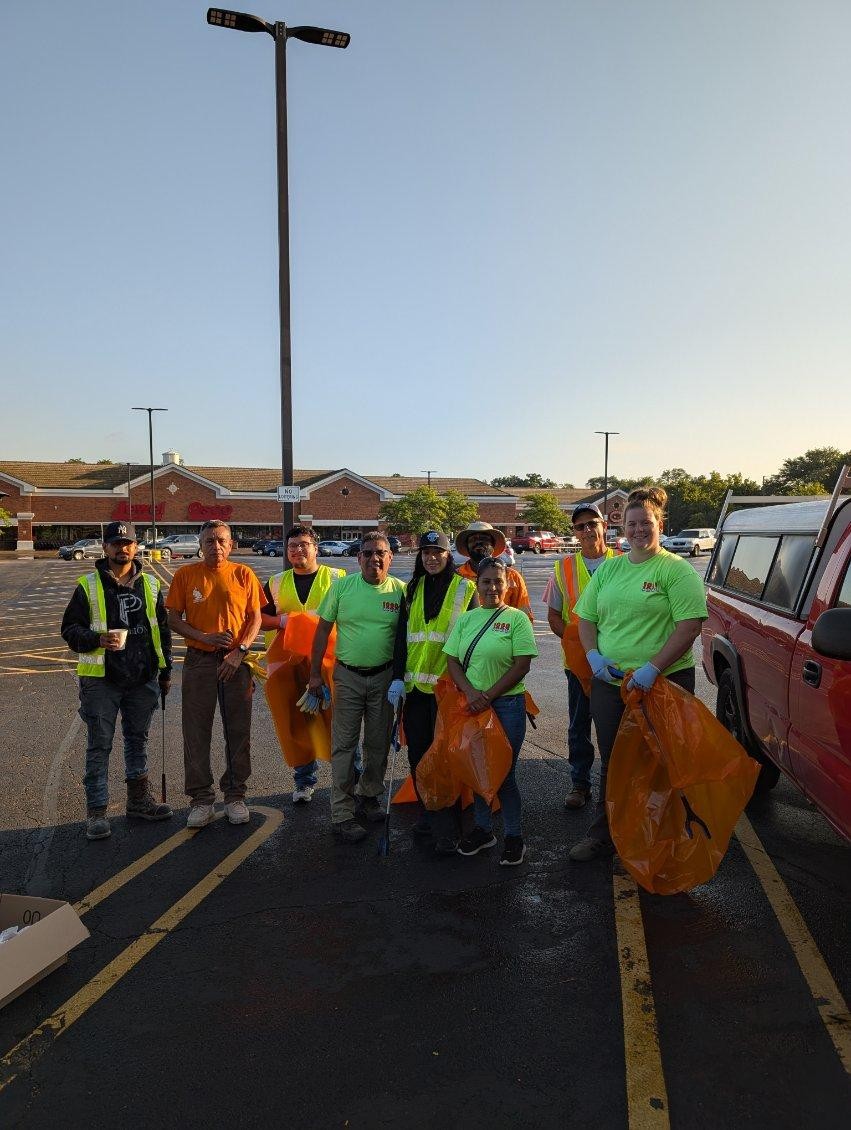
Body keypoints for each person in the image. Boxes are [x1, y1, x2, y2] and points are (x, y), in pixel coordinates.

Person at [571, 486, 708, 862]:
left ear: (660, 524)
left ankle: (661, 840)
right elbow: (586, 618)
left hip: (663, 684)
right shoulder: (611, 568)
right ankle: (606, 834)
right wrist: (594, 657)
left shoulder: (675, 571)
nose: (638, 530)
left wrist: (652, 668)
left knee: (660, 761)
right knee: (614, 759)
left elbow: (690, 626)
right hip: (611, 684)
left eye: (645, 523)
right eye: (631, 524)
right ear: (621, 528)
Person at [61, 521, 173, 841]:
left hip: (141, 679)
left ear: (136, 546)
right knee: (100, 744)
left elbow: (161, 632)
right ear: (105, 547)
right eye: (115, 543)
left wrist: (165, 673)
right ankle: (96, 811)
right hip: (102, 680)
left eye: (127, 543)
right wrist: (97, 639)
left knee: (138, 740)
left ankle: (138, 801)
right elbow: (70, 630)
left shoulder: (150, 585)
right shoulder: (88, 584)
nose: (121, 548)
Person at [309, 531, 407, 843]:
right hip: (348, 676)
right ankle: (342, 813)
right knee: (344, 746)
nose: (373, 559)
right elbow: (322, 631)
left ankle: (369, 797)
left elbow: (407, 641)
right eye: (367, 553)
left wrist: (401, 679)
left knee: (377, 744)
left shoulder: (402, 592)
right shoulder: (342, 588)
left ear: (390, 557)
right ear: (358, 558)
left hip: (384, 678)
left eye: (381, 553)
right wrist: (314, 676)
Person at [166, 520, 264, 829]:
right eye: (209, 541)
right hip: (199, 661)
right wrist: (203, 636)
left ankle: (235, 795)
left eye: (221, 540)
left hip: (236, 662)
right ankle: (201, 799)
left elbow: (255, 617)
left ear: (231, 544)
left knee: (238, 731)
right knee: (196, 732)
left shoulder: (243, 574)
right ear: (201, 544)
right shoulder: (185, 575)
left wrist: (240, 652)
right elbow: (172, 618)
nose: (216, 546)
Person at [444, 557, 538, 866]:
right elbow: (452, 662)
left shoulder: (516, 620)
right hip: (472, 705)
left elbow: (521, 664)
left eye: (498, 581)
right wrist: (472, 694)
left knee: (504, 774)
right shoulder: (467, 620)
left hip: (507, 705)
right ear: (477, 584)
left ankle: (514, 837)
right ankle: (484, 830)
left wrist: (488, 696)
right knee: (477, 769)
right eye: (486, 581)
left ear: (508, 583)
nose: (492, 587)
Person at [387, 531, 477, 854]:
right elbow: (401, 638)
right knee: (419, 754)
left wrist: (468, 685)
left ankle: (449, 823)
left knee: (446, 756)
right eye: (426, 553)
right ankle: (426, 812)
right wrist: (397, 677)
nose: (431, 558)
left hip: (447, 690)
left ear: (448, 555)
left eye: (437, 552)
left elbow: (473, 639)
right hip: (414, 689)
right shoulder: (412, 589)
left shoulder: (466, 589)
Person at [259, 524, 346, 805]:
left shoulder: (337, 578)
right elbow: (259, 619)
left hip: (331, 665)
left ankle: (350, 781)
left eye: (303, 545)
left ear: (316, 548)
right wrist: (286, 620)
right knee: (298, 724)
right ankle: (304, 781)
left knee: (341, 724)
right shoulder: (274, 582)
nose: (298, 550)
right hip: (290, 667)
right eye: (292, 546)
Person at [542, 503, 621, 810]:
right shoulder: (563, 568)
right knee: (579, 725)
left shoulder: (624, 563)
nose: (587, 530)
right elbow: (553, 616)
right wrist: (581, 649)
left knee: (615, 727)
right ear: (574, 533)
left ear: (604, 526)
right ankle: (580, 784)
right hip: (579, 665)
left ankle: (616, 786)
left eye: (592, 523)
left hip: (617, 661)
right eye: (580, 526)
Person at [455, 522, 533, 621]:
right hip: (466, 634)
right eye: (473, 539)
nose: (478, 542)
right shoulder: (456, 576)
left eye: (484, 539)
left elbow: (525, 618)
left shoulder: (512, 576)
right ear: (467, 546)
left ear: (493, 545)